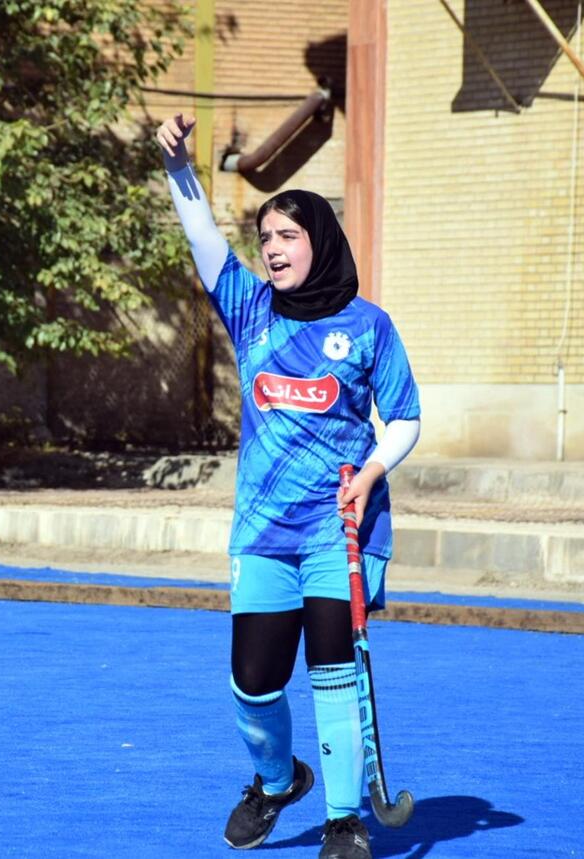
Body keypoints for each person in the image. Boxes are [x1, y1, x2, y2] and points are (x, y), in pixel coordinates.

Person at [155, 114, 421, 858]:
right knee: (253, 682)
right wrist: (178, 170)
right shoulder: (250, 310)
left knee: (333, 673)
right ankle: (278, 781)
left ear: (320, 242)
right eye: (265, 237)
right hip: (263, 532)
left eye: (287, 236)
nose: (271, 248)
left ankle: (343, 820)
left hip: (341, 528)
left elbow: (403, 417)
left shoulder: (368, 327)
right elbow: (205, 240)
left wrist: (372, 472)